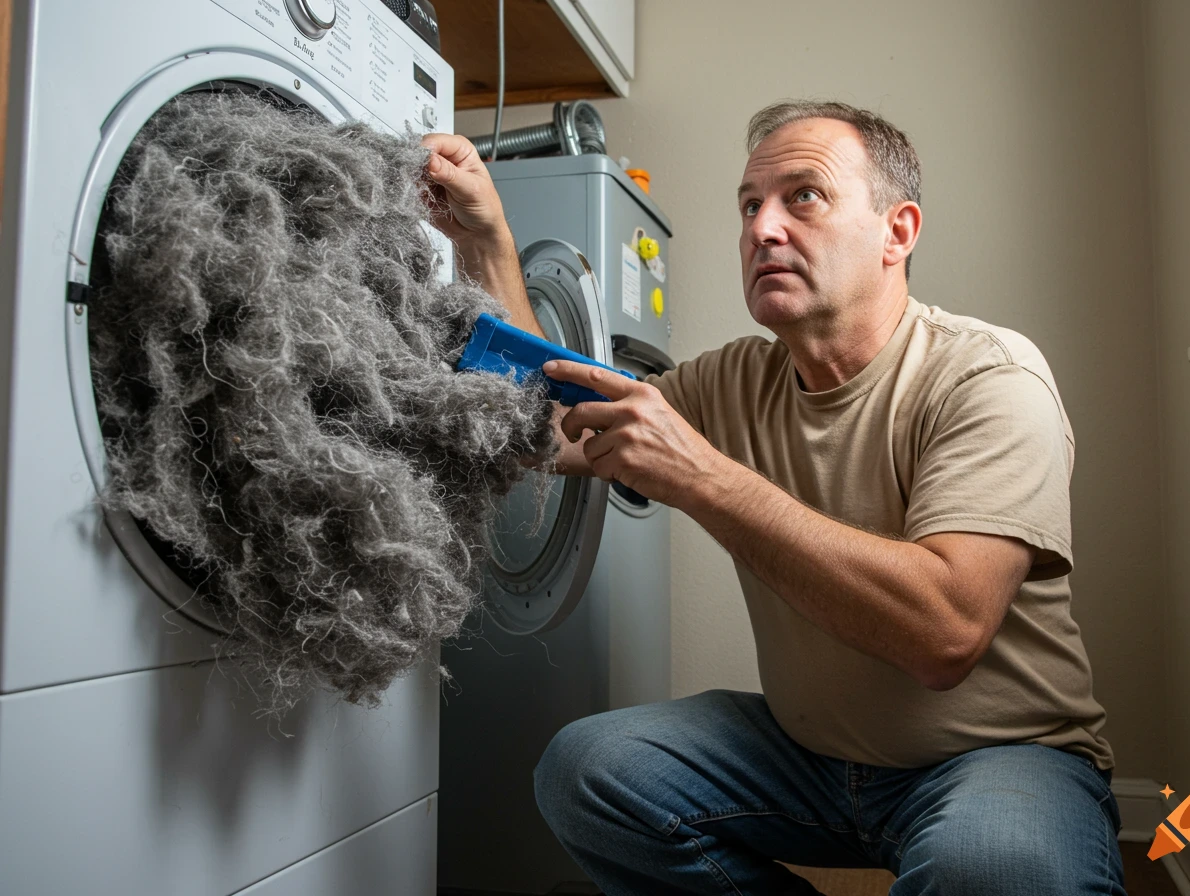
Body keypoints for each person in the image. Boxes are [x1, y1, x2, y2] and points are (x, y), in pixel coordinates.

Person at [422, 100, 1124, 895]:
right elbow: (551, 425)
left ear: (898, 232)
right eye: (750, 206)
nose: (762, 229)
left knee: (989, 869)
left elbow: (947, 632)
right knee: (586, 772)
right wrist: (485, 238)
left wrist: (704, 477)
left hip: (1002, 757)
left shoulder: (989, 378)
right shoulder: (732, 380)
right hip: (808, 762)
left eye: (805, 197)